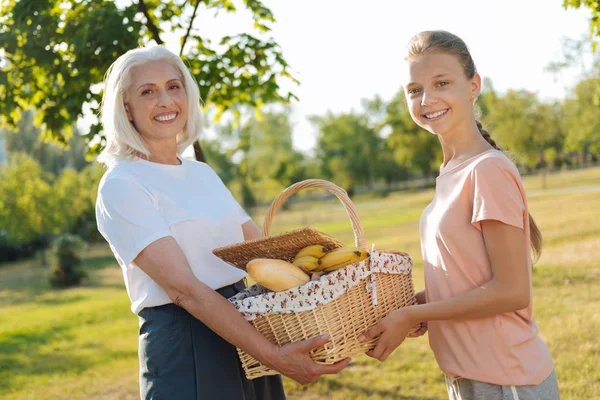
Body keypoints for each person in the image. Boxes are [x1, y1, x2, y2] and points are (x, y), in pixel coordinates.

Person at [95, 45, 350, 400]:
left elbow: (261, 252)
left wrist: (333, 285)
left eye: (174, 86)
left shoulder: (201, 173)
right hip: (187, 341)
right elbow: (184, 291)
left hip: (247, 320)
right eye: (147, 91)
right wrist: (272, 355)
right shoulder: (123, 184)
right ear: (126, 109)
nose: (166, 100)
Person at [359, 31, 559, 400]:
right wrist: (418, 306)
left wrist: (417, 315)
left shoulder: (487, 171)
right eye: (414, 89)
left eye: (442, 83)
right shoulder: (451, 172)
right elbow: (468, 279)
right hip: (468, 379)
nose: (427, 98)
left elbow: (512, 291)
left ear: (473, 85)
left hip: (506, 380)